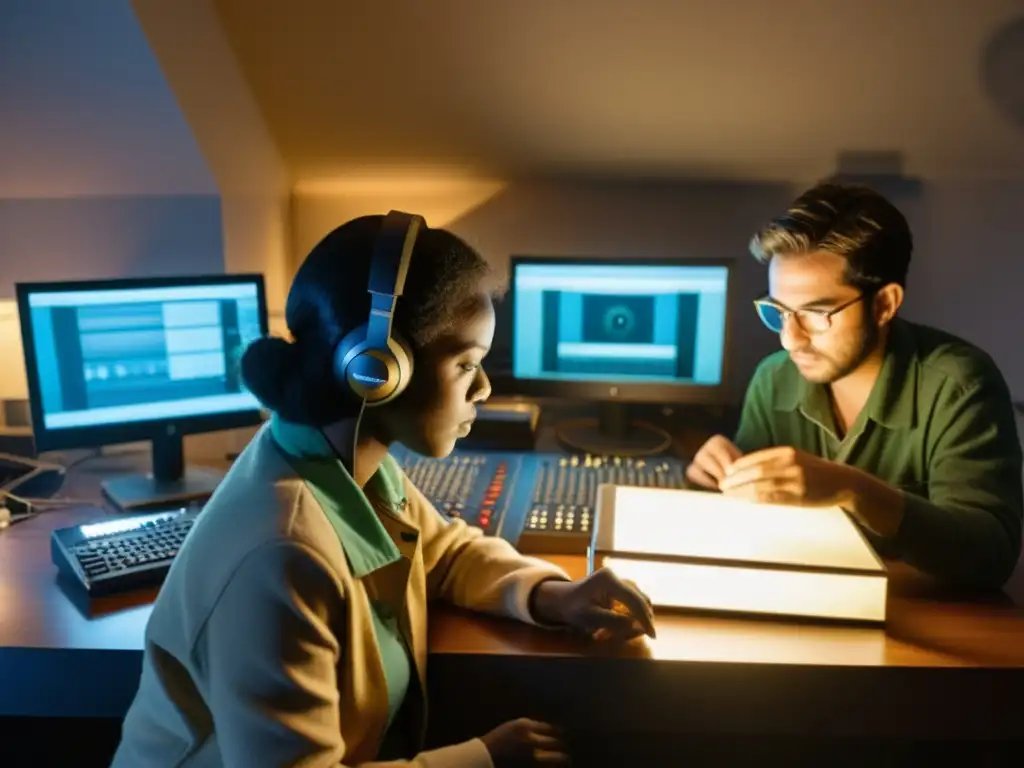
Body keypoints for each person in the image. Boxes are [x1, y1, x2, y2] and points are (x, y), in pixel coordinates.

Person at [111, 213, 655, 768]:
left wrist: (551, 596)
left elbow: (443, 552)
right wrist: (483, 760)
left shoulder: (343, 463)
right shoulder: (282, 555)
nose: (486, 388)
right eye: (467, 363)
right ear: (378, 368)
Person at [686, 182, 1022, 590]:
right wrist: (713, 483)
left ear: (884, 304)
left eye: (816, 313)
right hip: (801, 604)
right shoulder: (772, 379)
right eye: (778, 311)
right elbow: (752, 528)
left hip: (923, 619)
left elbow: (991, 557)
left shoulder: (960, 385)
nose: (790, 339)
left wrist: (853, 489)